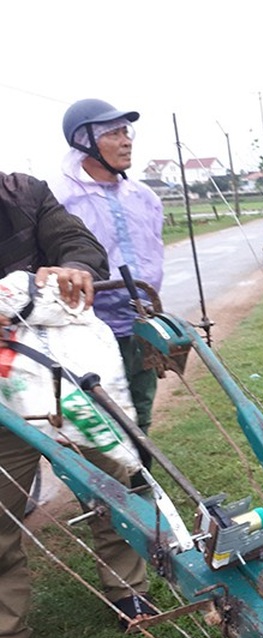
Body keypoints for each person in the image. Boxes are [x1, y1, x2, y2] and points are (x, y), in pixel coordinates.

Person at [0, 171, 155, 638]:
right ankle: (6, 637)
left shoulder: (24, 193)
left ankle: (127, 588)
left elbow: (75, 240)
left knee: (111, 477)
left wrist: (73, 267)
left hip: (59, 364)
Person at [53, 98, 164, 437]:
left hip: (140, 321)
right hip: (87, 328)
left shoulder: (144, 197)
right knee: (97, 413)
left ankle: (142, 479)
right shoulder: (59, 199)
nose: (126, 141)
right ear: (85, 141)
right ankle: (105, 484)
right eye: (113, 133)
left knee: (141, 405)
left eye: (126, 131)